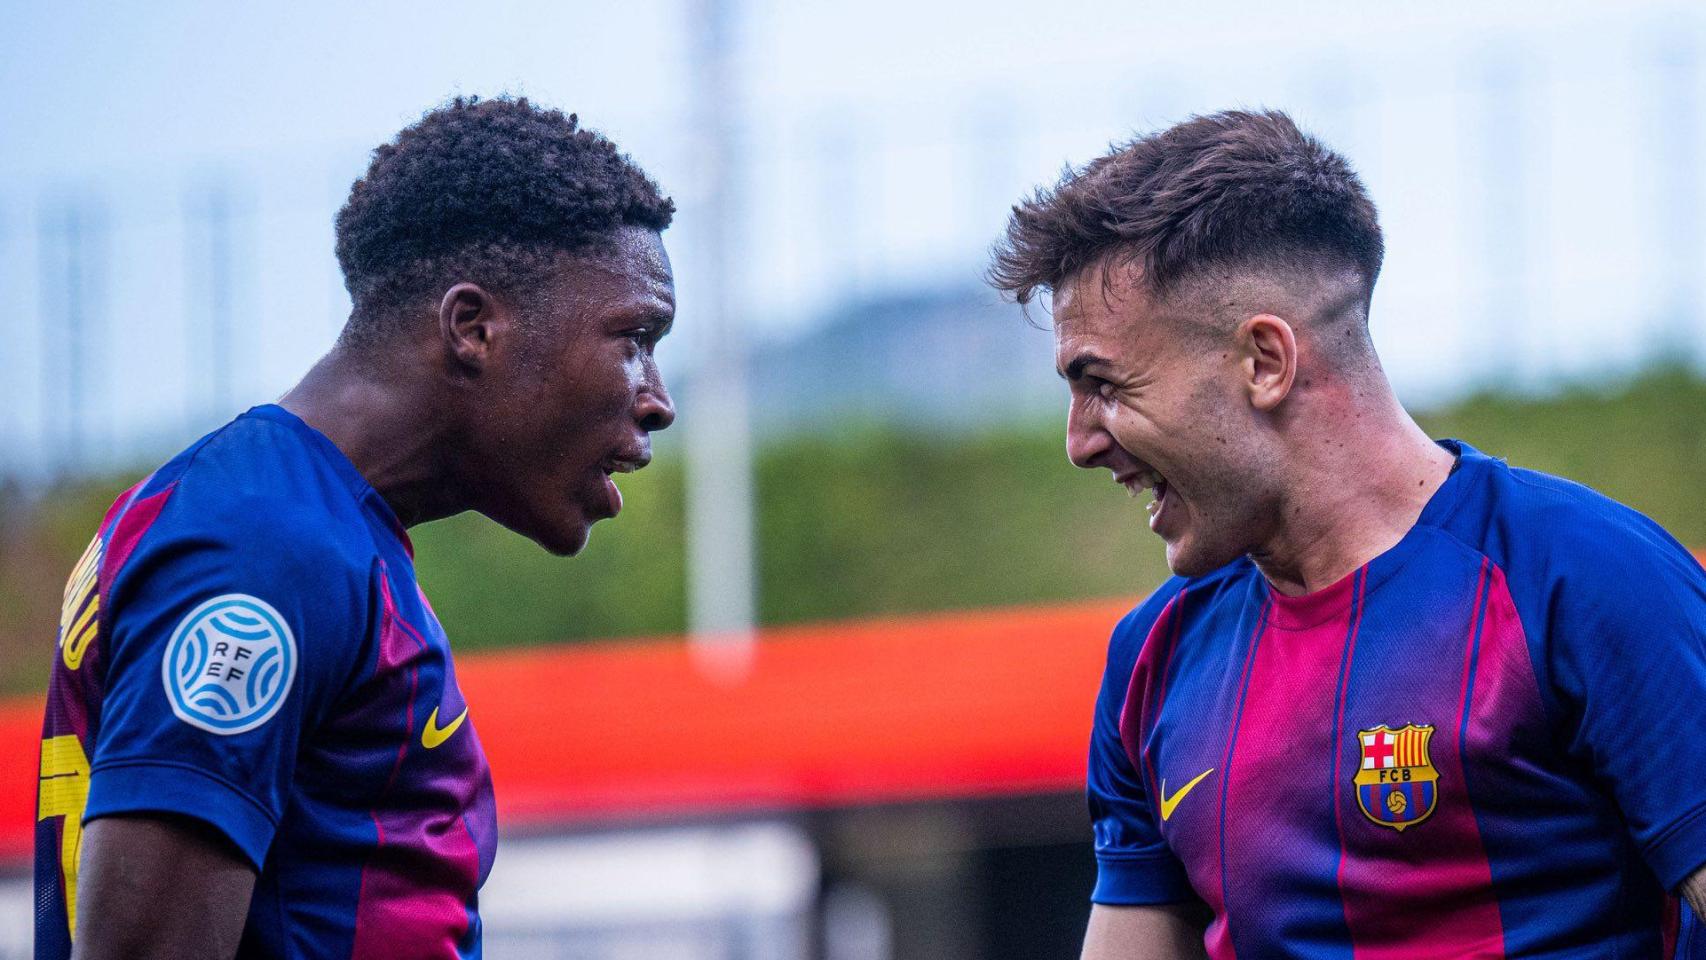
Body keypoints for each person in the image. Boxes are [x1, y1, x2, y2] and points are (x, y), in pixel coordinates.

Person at [988, 109, 1706, 958]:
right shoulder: (1153, 659)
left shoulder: (1586, 582)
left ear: (1265, 361)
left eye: (1103, 384)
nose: (1080, 442)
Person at [34, 96, 678, 960]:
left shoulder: (308, 527)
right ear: (472, 327)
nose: (657, 398)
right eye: (635, 337)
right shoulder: (261, 546)